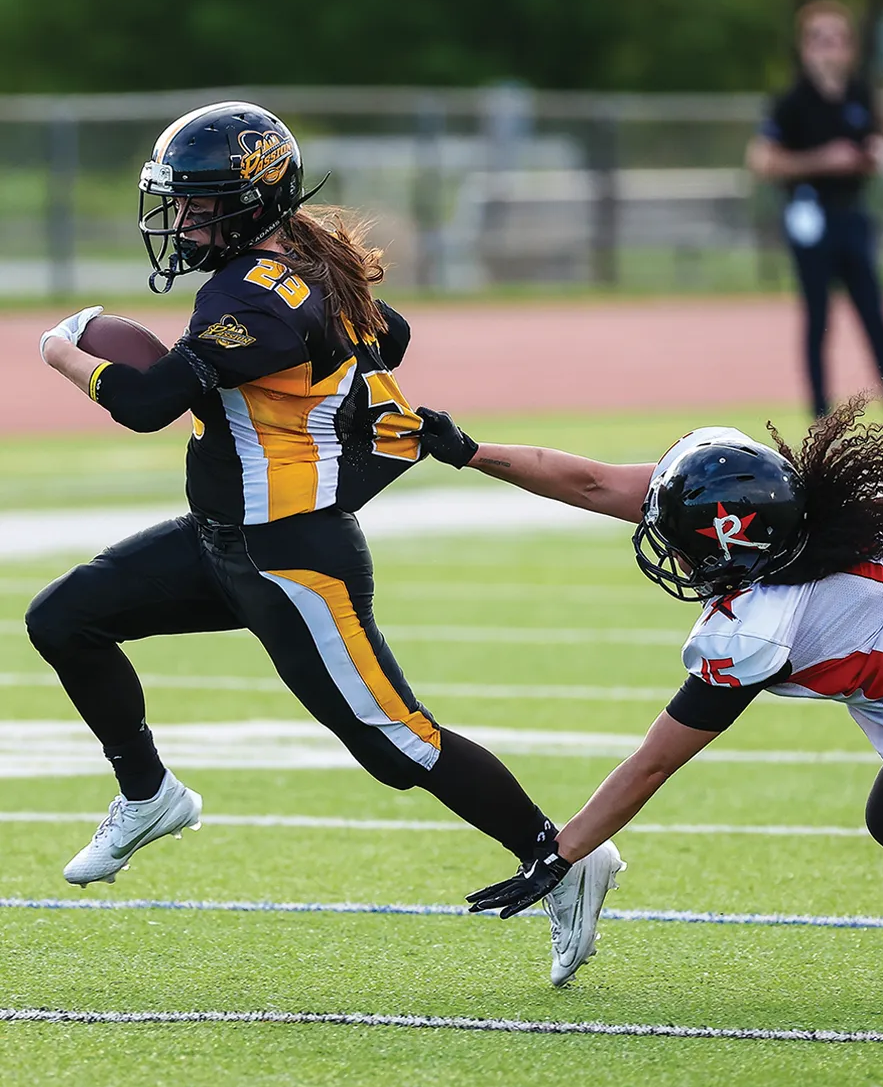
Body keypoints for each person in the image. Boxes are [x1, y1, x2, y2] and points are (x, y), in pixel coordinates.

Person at [27, 101, 623, 987]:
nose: (179, 221)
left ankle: (567, 856)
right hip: (224, 541)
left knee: (396, 743)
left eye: (195, 203)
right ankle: (150, 795)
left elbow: (147, 405)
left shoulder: (250, 297)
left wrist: (64, 350)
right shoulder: (298, 268)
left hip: (294, 558)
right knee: (65, 617)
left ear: (245, 201)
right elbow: (393, 337)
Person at [416, 398, 883, 918]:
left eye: (684, 542)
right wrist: (470, 452)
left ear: (731, 546)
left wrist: (560, 856)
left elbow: (653, 763)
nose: (671, 549)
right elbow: (593, 484)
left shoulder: (760, 628)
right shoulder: (803, 510)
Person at [745, 0, 883, 450]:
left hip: (852, 218)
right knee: (818, 321)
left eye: (836, 38)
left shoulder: (859, 94)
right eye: (818, 38)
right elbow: (761, 159)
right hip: (810, 217)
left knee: (876, 318)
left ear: (849, 47)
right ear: (805, 47)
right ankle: (822, 426)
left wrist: (872, 155)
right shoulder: (792, 102)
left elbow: (870, 144)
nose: (827, 48)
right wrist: (821, 160)